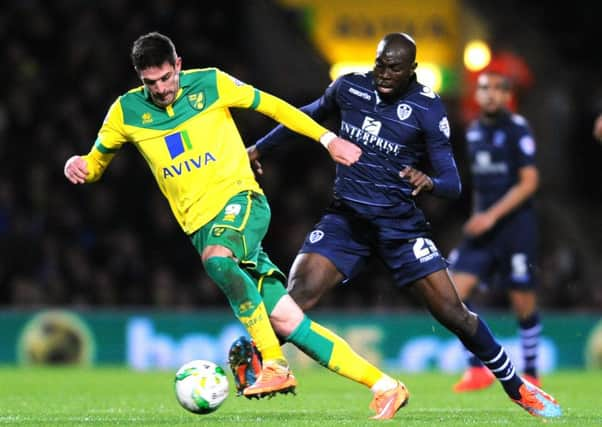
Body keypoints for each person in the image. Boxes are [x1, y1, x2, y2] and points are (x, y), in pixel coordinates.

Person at [63, 31, 409, 420]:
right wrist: (78, 165)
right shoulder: (126, 112)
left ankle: (274, 365)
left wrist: (327, 139)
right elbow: (95, 163)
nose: (161, 89)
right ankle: (385, 386)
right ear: (139, 79)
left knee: (218, 260)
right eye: (151, 83)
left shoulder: (210, 82)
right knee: (289, 321)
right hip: (201, 226)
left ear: (178, 65)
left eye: (166, 78)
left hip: (242, 202)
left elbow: (275, 107)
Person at [247, 32, 561, 419]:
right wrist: (259, 148)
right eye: (380, 63)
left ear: (411, 69)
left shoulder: (428, 109)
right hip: (347, 220)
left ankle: (518, 388)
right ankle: (257, 359)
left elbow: (452, 182)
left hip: (401, 229)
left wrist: (429, 182)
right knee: (294, 297)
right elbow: (304, 117)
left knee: (455, 315)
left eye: (394, 67)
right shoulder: (349, 88)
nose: (383, 73)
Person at [448, 70, 542, 393]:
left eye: (496, 89)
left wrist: (491, 216)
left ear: (506, 96)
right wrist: (478, 216)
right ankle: (477, 370)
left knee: (522, 301)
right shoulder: (473, 132)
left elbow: (529, 182)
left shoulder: (517, 129)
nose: (489, 94)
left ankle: (531, 372)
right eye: (483, 88)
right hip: (484, 227)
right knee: (453, 293)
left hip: (516, 227)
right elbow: (481, 186)